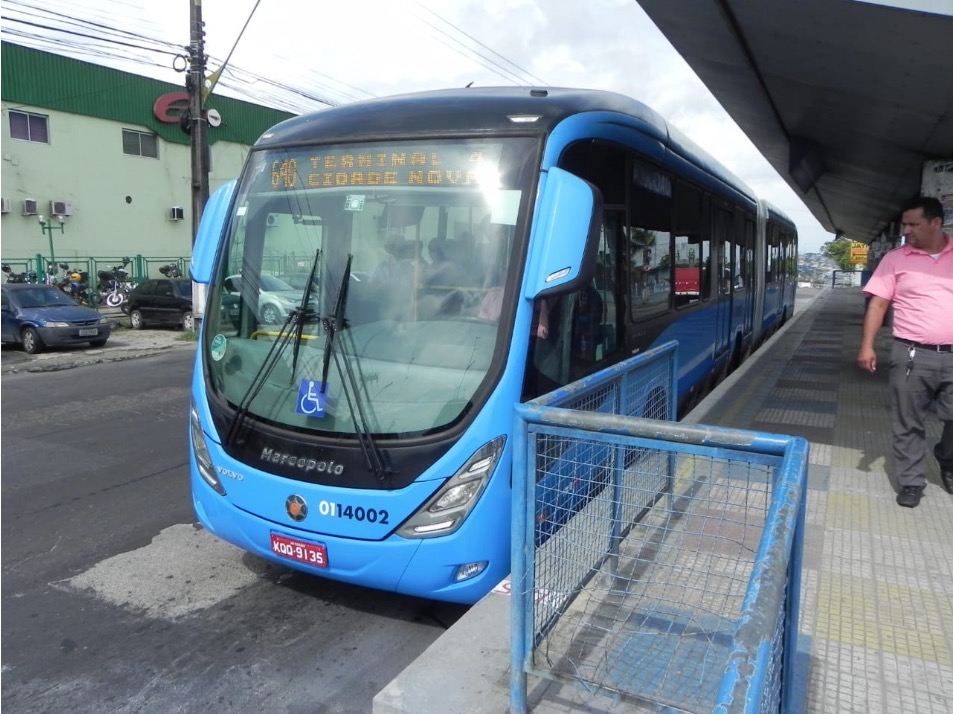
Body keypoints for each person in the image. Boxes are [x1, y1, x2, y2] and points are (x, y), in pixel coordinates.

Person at [857, 195, 953, 507]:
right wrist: (867, 345)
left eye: (914, 224)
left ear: (936, 223)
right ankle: (912, 482)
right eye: (905, 224)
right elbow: (879, 303)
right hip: (911, 355)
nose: (907, 230)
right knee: (908, 422)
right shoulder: (896, 259)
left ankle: (947, 459)